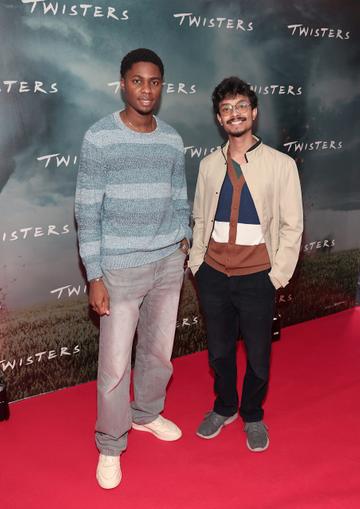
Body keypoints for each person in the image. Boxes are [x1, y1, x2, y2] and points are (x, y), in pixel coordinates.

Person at [75, 48, 190, 489]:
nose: (146, 89)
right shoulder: (99, 137)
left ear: (162, 86)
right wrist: (95, 275)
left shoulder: (172, 138)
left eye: (154, 81)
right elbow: (87, 211)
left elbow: (179, 193)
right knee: (116, 365)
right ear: (123, 83)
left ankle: (146, 415)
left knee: (159, 353)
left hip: (167, 262)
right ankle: (110, 443)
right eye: (138, 80)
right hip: (119, 269)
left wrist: (185, 237)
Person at [188, 77, 303, 452]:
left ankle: (252, 414)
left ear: (253, 113)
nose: (234, 114)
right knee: (219, 351)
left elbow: (291, 225)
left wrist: (278, 275)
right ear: (219, 119)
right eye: (226, 109)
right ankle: (225, 407)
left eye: (241, 106)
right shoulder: (208, 165)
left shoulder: (281, 165)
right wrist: (197, 263)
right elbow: (200, 219)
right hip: (214, 274)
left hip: (258, 276)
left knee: (258, 353)